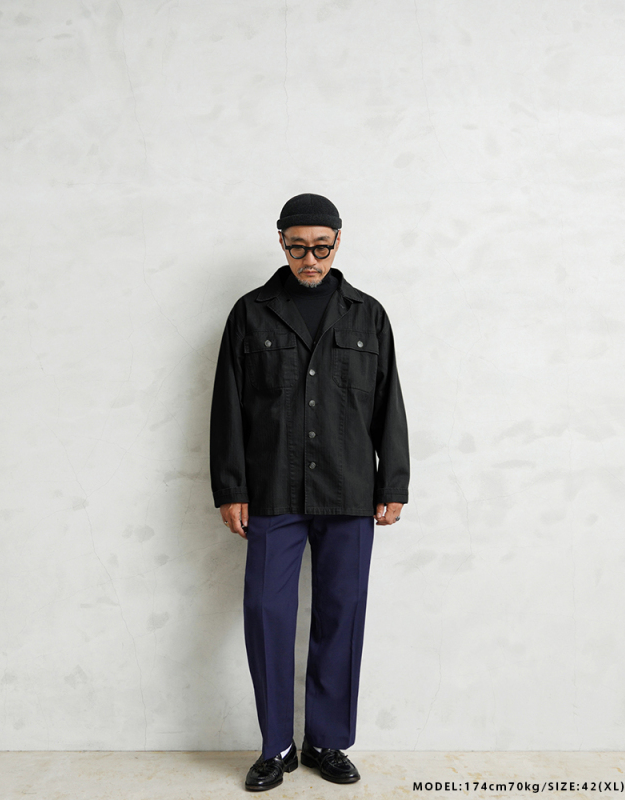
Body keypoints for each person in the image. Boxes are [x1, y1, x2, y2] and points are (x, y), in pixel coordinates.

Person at [209, 193, 410, 792]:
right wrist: (231, 487)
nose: (310, 259)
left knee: (341, 613)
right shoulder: (250, 313)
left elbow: (389, 403)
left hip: (349, 488)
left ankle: (327, 740)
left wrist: (394, 481)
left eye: (321, 247)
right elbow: (227, 407)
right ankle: (277, 745)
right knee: (266, 612)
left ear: (338, 242)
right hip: (272, 488)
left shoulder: (367, 315)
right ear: (281, 242)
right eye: (298, 247)